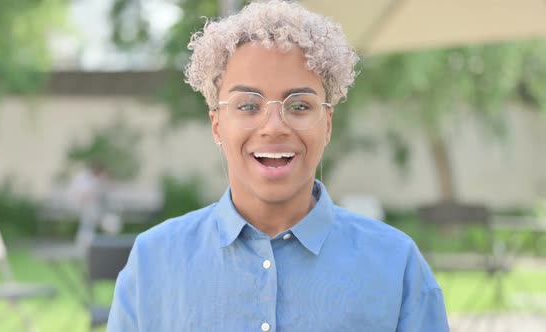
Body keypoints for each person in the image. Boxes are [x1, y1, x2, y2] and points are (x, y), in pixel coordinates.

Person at [108, 1, 449, 331]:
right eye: (248, 106)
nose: (273, 126)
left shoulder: (395, 264)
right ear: (216, 125)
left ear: (327, 124)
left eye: (299, 105)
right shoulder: (154, 262)